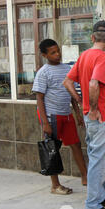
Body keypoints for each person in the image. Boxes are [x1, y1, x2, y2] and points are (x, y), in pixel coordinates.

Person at [63, 21, 105, 209]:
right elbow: (94, 83)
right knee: (99, 160)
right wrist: (94, 109)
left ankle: (99, 196)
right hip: (99, 116)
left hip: (90, 115)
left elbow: (68, 81)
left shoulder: (85, 55)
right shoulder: (102, 57)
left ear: (92, 37)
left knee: (98, 156)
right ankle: (93, 206)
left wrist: (80, 100)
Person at [32, 39, 88, 195]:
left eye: (58, 51)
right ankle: (55, 185)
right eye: (52, 53)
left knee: (76, 144)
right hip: (51, 115)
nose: (57, 55)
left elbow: (71, 93)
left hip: (66, 114)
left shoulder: (66, 69)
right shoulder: (43, 72)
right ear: (44, 55)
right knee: (52, 149)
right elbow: (39, 99)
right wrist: (45, 123)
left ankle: (85, 176)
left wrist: (77, 113)